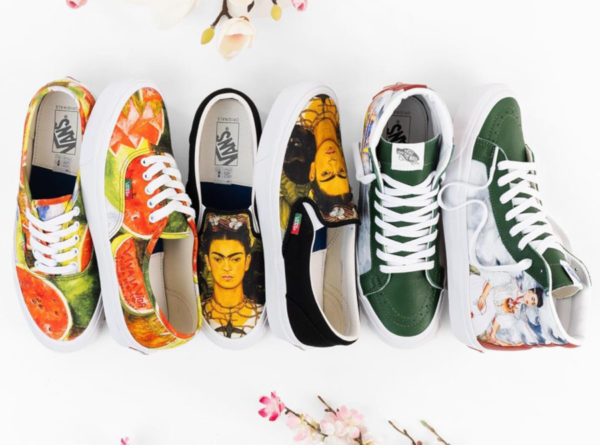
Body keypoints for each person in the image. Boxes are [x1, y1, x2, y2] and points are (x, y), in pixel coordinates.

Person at [201, 213, 263, 338]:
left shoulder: (262, 312)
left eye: (235, 259)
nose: (227, 267)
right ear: (208, 261)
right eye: (218, 259)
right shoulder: (196, 311)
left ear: (247, 261)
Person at [471, 275, 544, 346]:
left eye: (533, 303)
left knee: (477, 327)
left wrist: (493, 334)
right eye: (532, 298)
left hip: (490, 310)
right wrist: (483, 296)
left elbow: (499, 319)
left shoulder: (516, 313)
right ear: (530, 291)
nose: (530, 302)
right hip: (487, 293)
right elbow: (493, 282)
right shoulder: (513, 283)